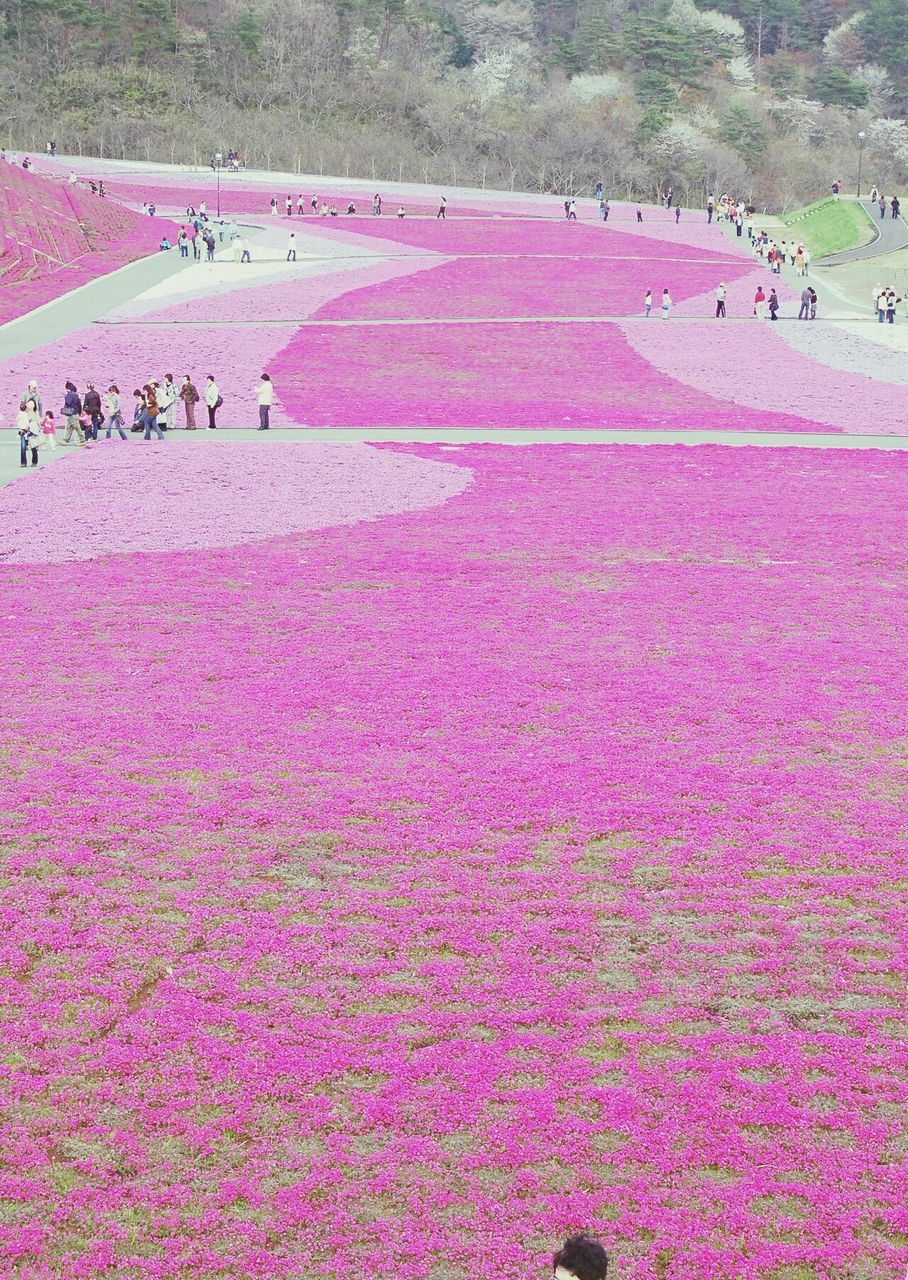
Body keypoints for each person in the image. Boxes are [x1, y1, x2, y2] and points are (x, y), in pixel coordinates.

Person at [17, 399, 40, 467]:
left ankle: (34, 462)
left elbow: (36, 422)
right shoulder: (23, 413)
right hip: (24, 431)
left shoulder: (34, 413)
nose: (30, 405)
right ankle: (23, 462)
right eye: (29, 403)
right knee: (23, 447)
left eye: (32, 404)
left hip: (31, 431)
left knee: (33, 447)